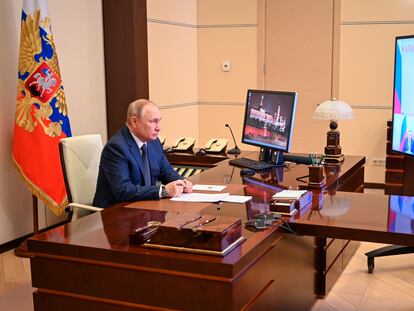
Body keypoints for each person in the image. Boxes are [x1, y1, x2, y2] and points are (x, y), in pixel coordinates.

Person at [93, 99, 192, 208]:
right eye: (153, 121)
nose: (159, 128)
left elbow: (166, 172)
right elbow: (123, 190)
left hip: (144, 208)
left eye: (159, 121)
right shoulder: (116, 147)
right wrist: (163, 191)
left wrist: (182, 182)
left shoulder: (154, 142)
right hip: (116, 212)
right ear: (134, 122)